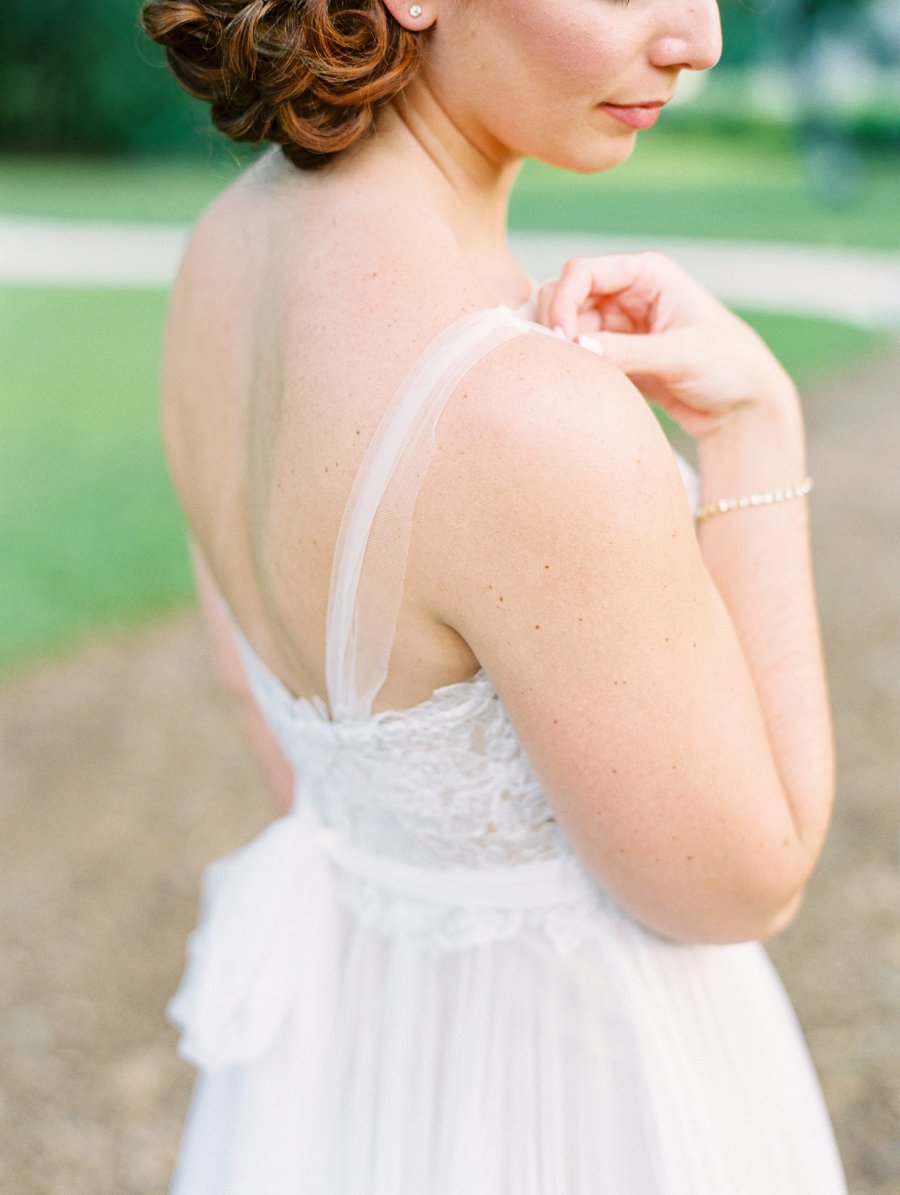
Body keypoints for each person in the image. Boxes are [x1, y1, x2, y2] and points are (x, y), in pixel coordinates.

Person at [141, 0, 848, 1190]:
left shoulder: (224, 248)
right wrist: (754, 432)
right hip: (584, 1095)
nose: (701, 38)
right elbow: (741, 880)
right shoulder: (528, 415)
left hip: (354, 1066)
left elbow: (276, 708)